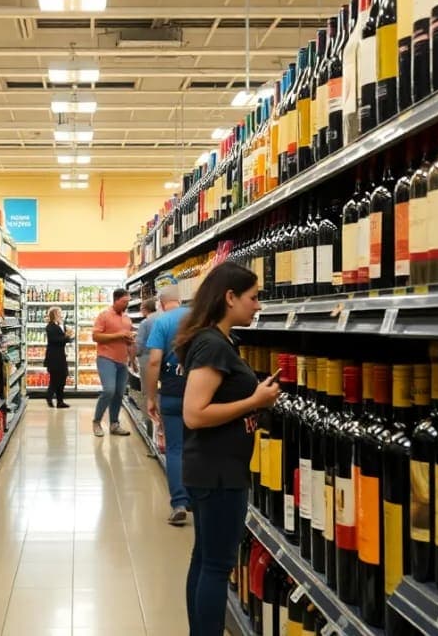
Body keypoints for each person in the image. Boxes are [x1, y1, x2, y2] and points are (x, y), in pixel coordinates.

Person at [174, 262, 279, 636]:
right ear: (229, 297)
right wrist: (256, 400)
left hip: (213, 468)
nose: (259, 306)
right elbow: (195, 415)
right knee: (216, 565)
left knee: (204, 558)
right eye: (254, 298)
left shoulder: (216, 340)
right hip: (217, 471)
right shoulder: (212, 345)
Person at [143, 286, 189, 525]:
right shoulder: (196, 317)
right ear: (180, 300)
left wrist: (151, 397)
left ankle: (179, 502)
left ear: (160, 304)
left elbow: (153, 362)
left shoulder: (161, 322)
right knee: (197, 446)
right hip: (199, 389)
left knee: (175, 448)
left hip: (171, 389)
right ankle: (197, 498)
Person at [91, 288, 135, 437]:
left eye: (128, 302)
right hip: (106, 358)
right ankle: (96, 422)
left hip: (122, 360)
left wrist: (132, 359)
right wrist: (118, 335)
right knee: (109, 390)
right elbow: (95, 336)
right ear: (115, 300)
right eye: (124, 302)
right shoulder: (104, 315)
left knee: (118, 393)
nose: (127, 304)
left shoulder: (127, 319)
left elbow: (127, 342)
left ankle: (114, 424)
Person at [44, 306, 72, 408]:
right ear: (55, 314)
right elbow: (56, 340)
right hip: (54, 357)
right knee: (56, 379)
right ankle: (49, 396)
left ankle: (59, 401)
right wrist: (67, 336)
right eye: (60, 312)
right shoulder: (50, 326)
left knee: (61, 378)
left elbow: (64, 340)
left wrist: (68, 336)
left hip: (60, 356)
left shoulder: (60, 325)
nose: (62, 314)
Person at [133, 297, 158, 376]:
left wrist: (134, 355)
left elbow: (139, 346)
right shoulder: (162, 319)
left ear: (145, 309)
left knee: (147, 386)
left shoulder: (145, 323)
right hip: (160, 358)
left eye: (141, 308)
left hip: (146, 359)